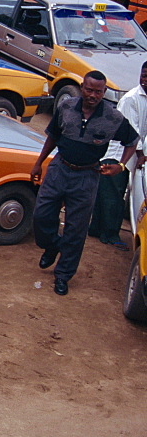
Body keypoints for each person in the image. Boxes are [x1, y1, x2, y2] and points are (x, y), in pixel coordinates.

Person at [31, 71, 138, 296]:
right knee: (41, 215)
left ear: (104, 92)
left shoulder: (113, 117)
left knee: (76, 228)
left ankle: (63, 275)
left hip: (87, 176)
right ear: (82, 87)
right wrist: (39, 162)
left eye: (98, 91)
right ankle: (52, 245)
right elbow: (52, 136)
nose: (93, 95)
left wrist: (121, 165)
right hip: (59, 168)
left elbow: (132, 141)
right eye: (89, 90)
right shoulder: (67, 107)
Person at [90, 62, 147, 250]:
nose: (145, 80)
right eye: (143, 75)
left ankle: (97, 230)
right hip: (118, 155)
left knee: (106, 194)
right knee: (112, 196)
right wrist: (140, 156)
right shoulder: (131, 99)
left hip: (129, 154)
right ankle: (110, 235)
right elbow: (132, 133)